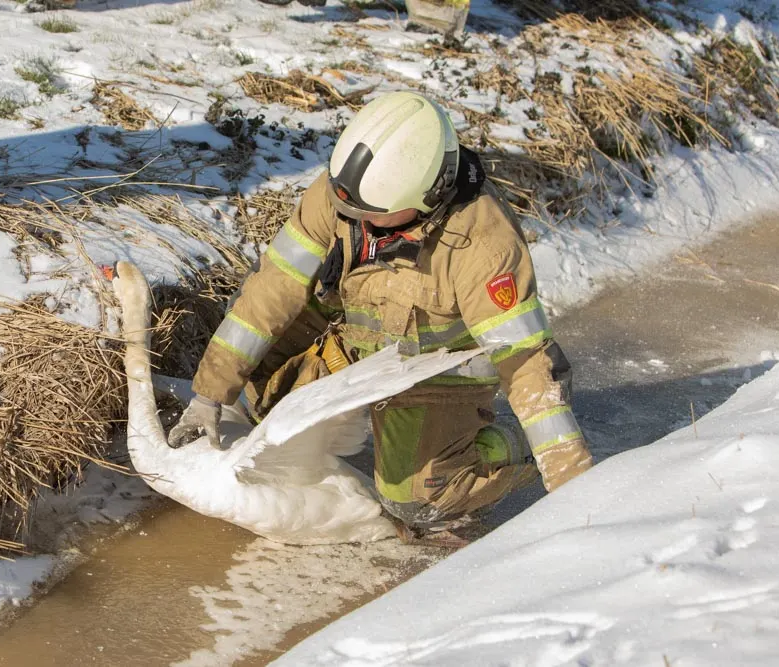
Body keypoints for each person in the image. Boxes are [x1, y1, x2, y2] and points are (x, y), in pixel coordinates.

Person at [169, 91, 593, 547]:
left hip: (433, 373)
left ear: (430, 196)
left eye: (373, 216)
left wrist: (570, 478)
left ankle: (503, 451)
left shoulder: (483, 245)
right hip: (354, 339)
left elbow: (525, 359)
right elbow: (272, 290)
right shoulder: (339, 197)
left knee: (416, 504)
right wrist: (210, 395)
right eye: (349, 211)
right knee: (268, 399)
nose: (357, 223)